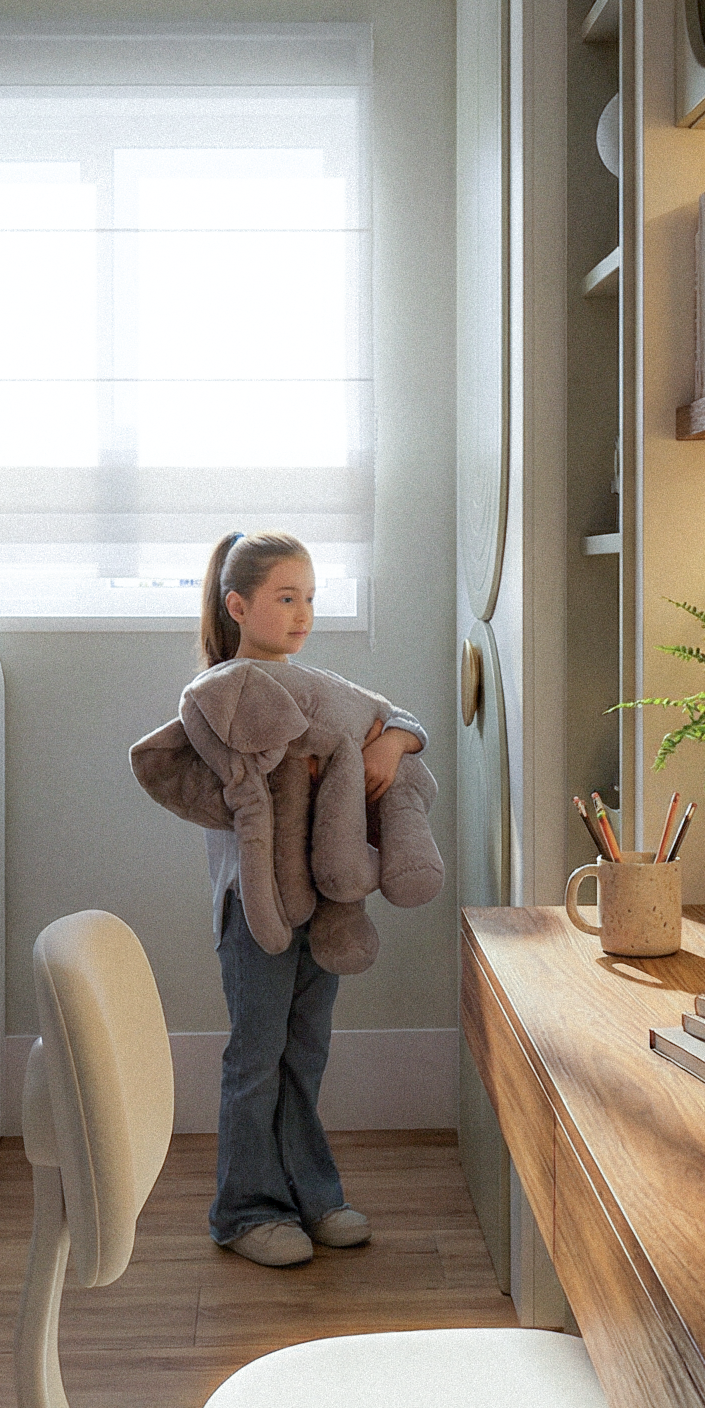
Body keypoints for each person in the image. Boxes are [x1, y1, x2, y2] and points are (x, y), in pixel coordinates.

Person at [195, 530, 424, 1267]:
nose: (303, 613)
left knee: (306, 1051)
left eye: (311, 598)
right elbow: (246, 779)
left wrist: (389, 745)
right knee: (256, 1055)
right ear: (239, 606)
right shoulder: (223, 696)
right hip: (255, 904)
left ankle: (310, 1195)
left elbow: (397, 719)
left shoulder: (318, 684)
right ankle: (244, 1209)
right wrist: (327, 752)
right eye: (285, 598)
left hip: (324, 901)